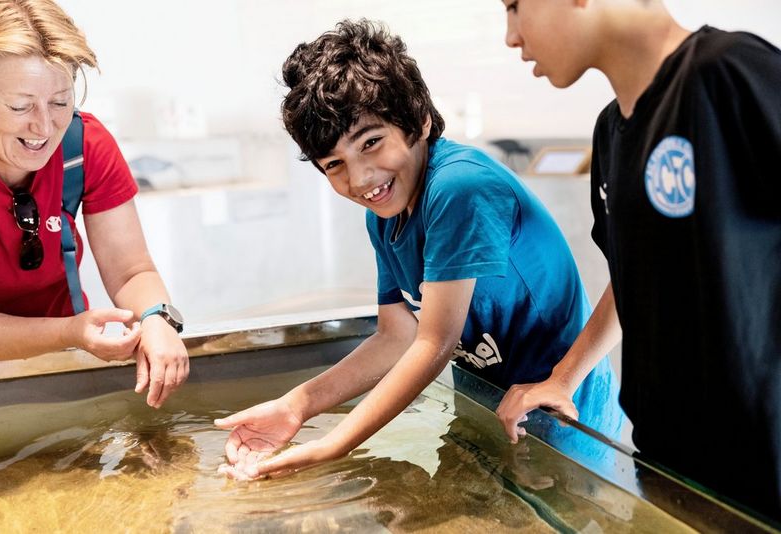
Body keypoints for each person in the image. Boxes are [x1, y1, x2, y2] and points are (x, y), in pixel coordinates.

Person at [215, 19, 623, 481]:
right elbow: (396, 335)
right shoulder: (384, 218)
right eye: (335, 165)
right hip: (486, 405)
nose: (361, 178)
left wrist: (332, 446)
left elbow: (435, 343)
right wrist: (297, 406)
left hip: (560, 417)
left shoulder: (459, 187)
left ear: (419, 120)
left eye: (371, 143)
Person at [497, 0, 781, 521]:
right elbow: (633, 283)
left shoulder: (729, 74)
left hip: (765, 472)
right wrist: (563, 377)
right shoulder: (611, 135)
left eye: (515, 7)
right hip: (670, 467)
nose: (511, 36)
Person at [0, 0, 188, 408]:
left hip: (65, 371)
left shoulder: (84, 147)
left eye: (60, 102)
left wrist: (157, 318)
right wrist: (70, 332)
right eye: (20, 106)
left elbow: (131, 272)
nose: (43, 127)